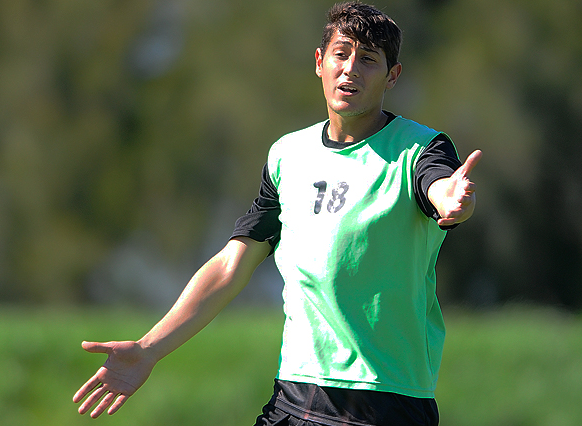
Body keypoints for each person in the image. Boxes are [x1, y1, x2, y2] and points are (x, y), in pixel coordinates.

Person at [73, 2, 482, 425]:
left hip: (384, 401)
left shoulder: (419, 149)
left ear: (391, 76)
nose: (351, 70)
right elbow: (232, 264)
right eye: (342, 55)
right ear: (320, 62)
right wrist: (149, 348)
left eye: (369, 60)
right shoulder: (289, 155)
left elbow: (440, 187)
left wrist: (452, 199)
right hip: (295, 394)